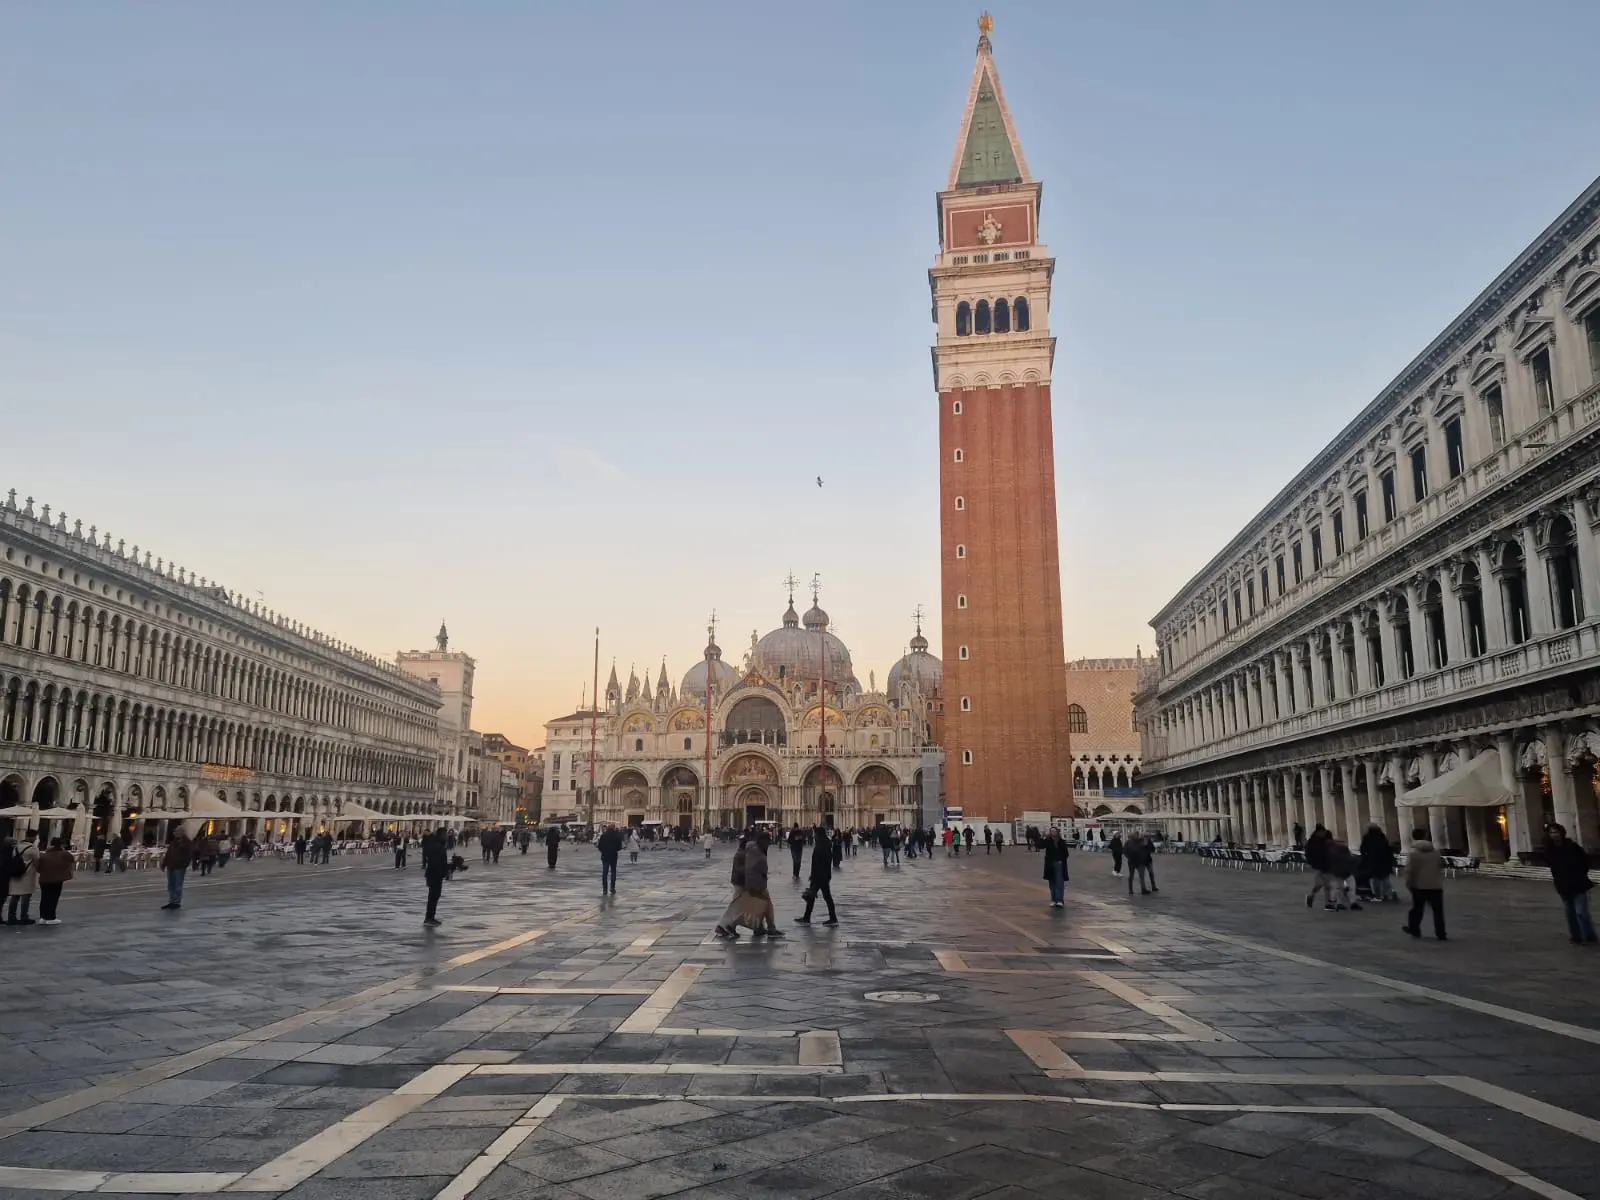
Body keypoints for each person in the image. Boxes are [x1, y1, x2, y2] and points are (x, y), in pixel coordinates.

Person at [1544, 824, 1597, 945]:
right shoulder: (1549, 850)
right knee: (1570, 913)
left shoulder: (1572, 846)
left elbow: (1585, 860)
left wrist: (1581, 873)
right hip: (1563, 884)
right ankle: (1576, 936)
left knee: (1581, 912)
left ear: (1561, 833)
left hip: (1578, 883)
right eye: (1552, 832)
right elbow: (1550, 864)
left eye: (1556, 832)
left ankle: (1589, 936)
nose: (1554, 835)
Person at [1402, 828, 1446, 941]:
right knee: (1438, 911)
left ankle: (1414, 929)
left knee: (1417, 909)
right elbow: (1441, 865)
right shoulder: (1435, 853)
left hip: (1419, 886)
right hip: (1435, 885)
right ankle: (1441, 932)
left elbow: (1409, 870)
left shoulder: (1413, 854)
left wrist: (1408, 883)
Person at [744, 831, 784, 937]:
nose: (768, 844)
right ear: (762, 841)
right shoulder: (756, 852)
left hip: (756, 882)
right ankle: (770, 928)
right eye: (767, 842)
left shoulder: (754, 850)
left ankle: (759, 927)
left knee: (759, 906)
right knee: (767, 906)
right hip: (756, 883)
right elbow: (752, 868)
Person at [797, 827, 838, 924]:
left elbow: (818, 863)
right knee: (822, 896)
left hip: (819, 876)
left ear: (818, 835)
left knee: (814, 896)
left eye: (815, 834)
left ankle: (808, 917)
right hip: (823, 875)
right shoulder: (825, 844)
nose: (814, 836)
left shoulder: (821, 846)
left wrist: (814, 875)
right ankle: (831, 917)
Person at [36, 837, 75, 926]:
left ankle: (43, 917)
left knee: (44, 898)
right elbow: (71, 859)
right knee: (53, 898)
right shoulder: (63, 854)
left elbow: (38, 868)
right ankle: (51, 917)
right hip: (56, 879)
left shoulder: (45, 855)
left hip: (44, 879)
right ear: (61, 845)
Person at [5, 832, 39, 925]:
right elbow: (37, 862)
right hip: (27, 876)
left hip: (15, 874)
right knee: (25, 898)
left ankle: (11, 917)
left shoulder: (16, 847)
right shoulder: (33, 848)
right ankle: (24, 917)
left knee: (14, 897)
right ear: (33, 837)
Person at [1359, 823, 1397, 902]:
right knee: (1385, 878)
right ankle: (1388, 893)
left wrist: (1364, 858)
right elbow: (1388, 849)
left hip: (1373, 861)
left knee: (1375, 879)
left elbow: (1363, 849)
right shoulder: (1382, 837)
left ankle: (1378, 895)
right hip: (1384, 861)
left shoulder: (1367, 838)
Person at [1304, 824, 1335, 910]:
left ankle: (1313, 896)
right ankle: (1327, 903)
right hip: (1322, 864)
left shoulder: (1320, 839)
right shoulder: (1314, 841)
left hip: (1326, 864)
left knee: (1323, 884)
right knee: (1326, 884)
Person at [422, 826, 449, 926]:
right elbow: (438, 862)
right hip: (435, 875)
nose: (447, 836)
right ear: (442, 835)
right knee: (433, 897)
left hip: (432, 874)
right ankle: (429, 918)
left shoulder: (435, 845)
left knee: (433, 897)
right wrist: (444, 871)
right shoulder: (438, 847)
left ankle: (430, 917)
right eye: (446, 834)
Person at [161, 827, 193, 910]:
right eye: (175, 832)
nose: (175, 833)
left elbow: (189, 855)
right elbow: (168, 854)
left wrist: (184, 865)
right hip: (171, 865)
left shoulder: (187, 843)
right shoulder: (173, 842)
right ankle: (171, 901)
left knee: (178, 885)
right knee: (171, 885)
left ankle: (176, 902)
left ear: (182, 832)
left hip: (179, 867)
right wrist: (164, 864)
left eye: (177, 831)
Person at [1326, 838, 1361, 911]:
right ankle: (1350, 902)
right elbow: (1349, 860)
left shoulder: (1332, 851)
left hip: (1338, 872)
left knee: (1339, 888)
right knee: (1349, 887)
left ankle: (1341, 903)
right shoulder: (1341, 851)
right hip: (1344, 872)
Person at [1042, 828, 1069, 908]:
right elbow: (1040, 846)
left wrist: (1060, 859)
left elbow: (1066, 853)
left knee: (1059, 882)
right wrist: (1042, 837)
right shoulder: (1048, 841)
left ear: (1057, 832)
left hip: (1059, 864)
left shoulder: (1061, 842)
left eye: (1054, 831)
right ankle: (1053, 900)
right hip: (1050, 864)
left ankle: (1059, 900)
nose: (1053, 832)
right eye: (1051, 831)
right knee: (1052, 882)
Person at [597, 824, 623, 895]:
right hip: (613, 856)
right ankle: (612, 887)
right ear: (614, 828)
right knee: (613, 872)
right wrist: (614, 850)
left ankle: (605, 889)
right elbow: (619, 847)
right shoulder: (617, 836)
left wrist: (604, 851)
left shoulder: (603, 835)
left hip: (605, 856)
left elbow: (599, 846)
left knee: (605, 873)